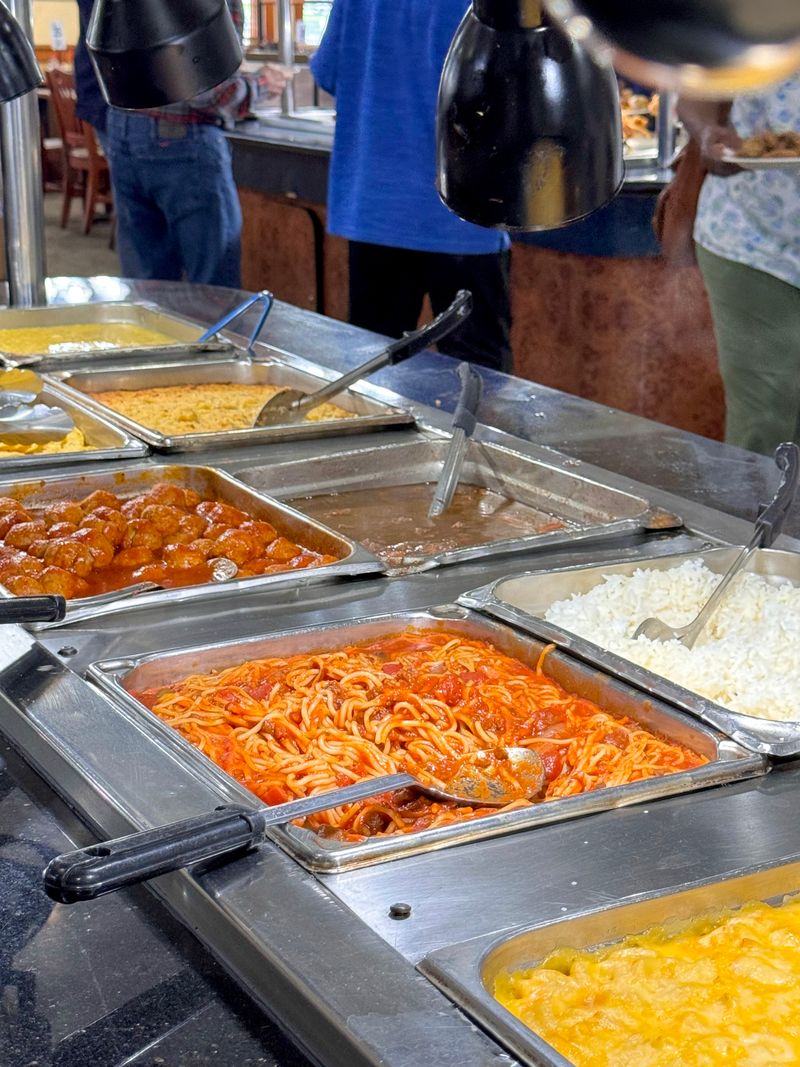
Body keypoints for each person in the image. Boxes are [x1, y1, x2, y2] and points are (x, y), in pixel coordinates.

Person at [310, 0, 513, 373]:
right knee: (478, 385)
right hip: (465, 212)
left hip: (375, 205)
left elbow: (330, 72)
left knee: (375, 376)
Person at [101, 0, 288, 287]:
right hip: (180, 140)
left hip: (124, 129)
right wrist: (261, 84)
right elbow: (205, 90)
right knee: (214, 292)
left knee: (148, 291)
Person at [680, 77, 800, 455]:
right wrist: (708, 135)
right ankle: (754, 514)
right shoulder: (760, 19)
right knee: (767, 418)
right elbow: (695, 92)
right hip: (753, 237)